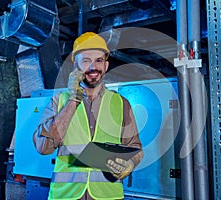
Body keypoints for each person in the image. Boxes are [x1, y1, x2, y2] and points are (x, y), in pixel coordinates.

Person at [33, 32, 143, 200]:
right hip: (66, 195)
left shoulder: (121, 103)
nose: (93, 67)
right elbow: (43, 147)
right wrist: (73, 100)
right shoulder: (58, 101)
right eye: (85, 61)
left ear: (106, 66)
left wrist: (130, 164)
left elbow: (135, 148)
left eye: (99, 60)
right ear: (75, 67)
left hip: (108, 196)